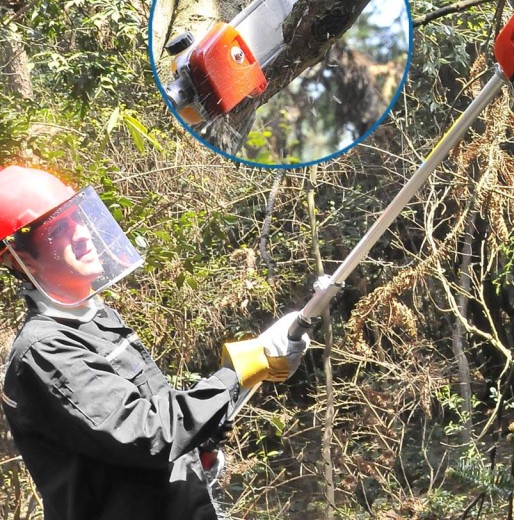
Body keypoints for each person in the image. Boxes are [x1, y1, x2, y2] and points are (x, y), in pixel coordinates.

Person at [0, 164, 309, 520]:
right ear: (25, 261)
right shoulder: (46, 351)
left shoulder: (95, 319)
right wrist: (235, 374)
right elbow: (147, 432)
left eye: (78, 219)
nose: (82, 234)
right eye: (59, 232)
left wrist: (198, 448)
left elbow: (154, 415)